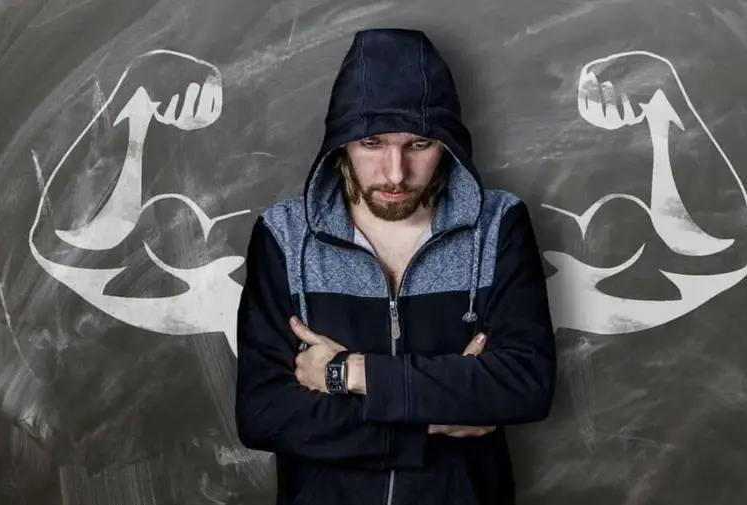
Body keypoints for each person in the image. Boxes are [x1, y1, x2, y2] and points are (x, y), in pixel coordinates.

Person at [235, 28, 557, 505]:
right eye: (371, 144)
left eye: (419, 144)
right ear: (341, 144)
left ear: (446, 144)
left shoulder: (498, 225)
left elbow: (524, 386)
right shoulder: (284, 235)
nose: (394, 173)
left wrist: (351, 374)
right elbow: (264, 414)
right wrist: (430, 420)